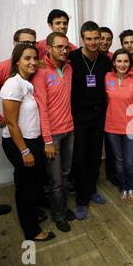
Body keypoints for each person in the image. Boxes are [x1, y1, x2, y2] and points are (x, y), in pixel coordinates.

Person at [0, 28, 49, 223]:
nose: (30, 47)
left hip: (31, 132)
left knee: (34, 179)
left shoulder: (34, 67)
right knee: (25, 181)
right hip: (18, 136)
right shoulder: (5, 72)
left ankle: (33, 208)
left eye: (33, 44)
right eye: (24, 44)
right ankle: (29, 219)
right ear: (15, 46)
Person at [0, 43, 55, 242]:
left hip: (31, 141)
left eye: (34, 58)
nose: (32, 62)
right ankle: (32, 231)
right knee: (27, 188)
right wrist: (24, 151)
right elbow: (12, 123)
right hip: (19, 143)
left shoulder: (27, 82)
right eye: (27, 58)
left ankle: (31, 220)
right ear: (16, 61)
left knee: (32, 185)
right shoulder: (13, 84)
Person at [69, 21, 113, 220]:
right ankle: (81, 199)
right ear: (82, 39)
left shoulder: (105, 60)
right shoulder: (72, 58)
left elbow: (122, 74)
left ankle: (92, 189)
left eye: (97, 38)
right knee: (80, 157)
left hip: (98, 114)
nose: (94, 42)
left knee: (95, 154)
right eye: (89, 38)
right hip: (77, 115)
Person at [33, 32, 76, 233]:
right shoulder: (40, 72)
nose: (64, 50)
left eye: (66, 47)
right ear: (48, 48)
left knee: (66, 174)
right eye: (58, 47)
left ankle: (63, 207)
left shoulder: (69, 68)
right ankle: (58, 215)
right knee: (56, 180)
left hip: (70, 130)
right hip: (53, 136)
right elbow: (41, 108)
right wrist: (48, 140)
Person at [0, 28, 38, 128]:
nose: (29, 46)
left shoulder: (37, 66)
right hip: (16, 128)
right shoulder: (2, 67)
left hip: (38, 128)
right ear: (15, 43)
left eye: (32, 43)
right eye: (25, 42)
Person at [104, 49, 133, 200]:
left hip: (132, 127)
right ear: (113, 63)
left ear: (130, 64)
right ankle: (123, 186)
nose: (122, 64)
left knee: (130, 161)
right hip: (112, 126)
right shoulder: (107, 77)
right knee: (118, 161)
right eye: (119, 61)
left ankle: (131, 185)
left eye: (126, 61)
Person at [99, 26, 118, 187]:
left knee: (112, 144)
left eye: (108, 39)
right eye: (102, 38)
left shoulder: (114, 59)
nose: (105, 42)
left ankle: (112, 175)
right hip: (94, 109)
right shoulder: (87, 56)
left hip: (112, 108)